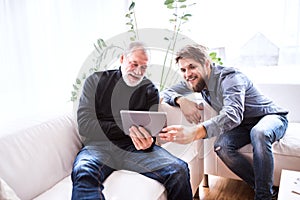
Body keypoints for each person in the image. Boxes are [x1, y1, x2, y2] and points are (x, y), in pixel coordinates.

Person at [159, 44, 288, 200]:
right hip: (243, 126)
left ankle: (263, 196)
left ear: (207, 63)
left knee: (259, 133)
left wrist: (196, 132)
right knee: (222, 146)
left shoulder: (230, 78)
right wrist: (180, 99)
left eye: (192, 67)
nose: (187, 74)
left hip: (270, 117)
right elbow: (165, 91)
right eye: (183, 70)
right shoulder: (197, 82)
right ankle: (265, 188)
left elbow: (233, 114)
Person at [71, 41, 193, 200]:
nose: (138, 71)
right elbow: (85, 126)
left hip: (134, 147)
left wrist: (149, 141)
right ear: (122, 59)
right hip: (98, 146)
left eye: (143, 67)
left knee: (179, 170)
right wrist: (126, 128)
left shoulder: (150, 89)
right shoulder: (95, 81)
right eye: (133, 64)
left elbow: (151, 128)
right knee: (84, 171)